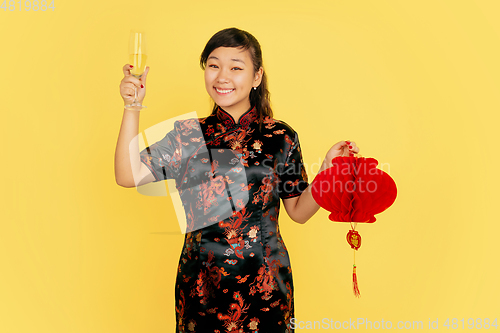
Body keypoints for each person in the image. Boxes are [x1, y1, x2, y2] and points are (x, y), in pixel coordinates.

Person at [115, 27, 359, 333]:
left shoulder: (279, 136)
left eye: (236, 67)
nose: (222, 77)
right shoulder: (188, 134)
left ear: (256, 77)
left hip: (267, 284)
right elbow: (128, 175)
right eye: (214, 65)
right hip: (201, 286)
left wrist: (327, 171)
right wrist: (132, 106)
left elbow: (298, 211)